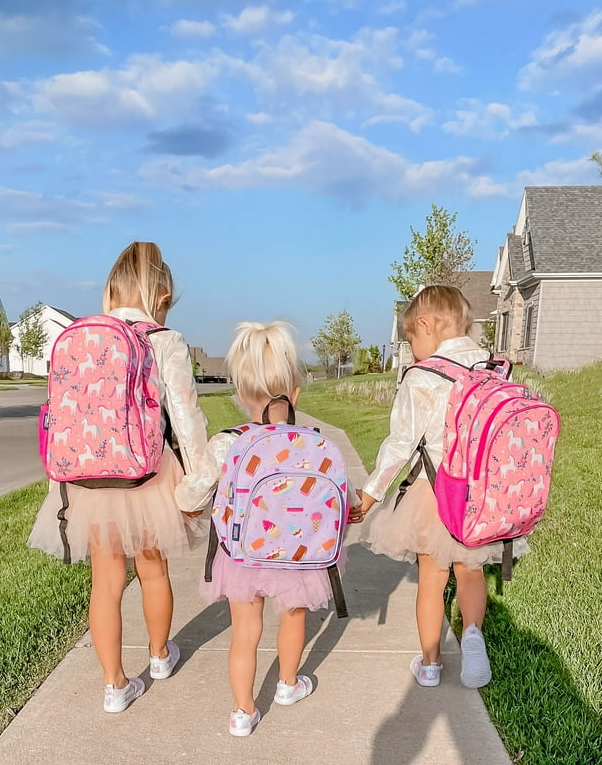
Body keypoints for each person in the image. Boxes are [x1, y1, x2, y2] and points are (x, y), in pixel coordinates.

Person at [28, 241, 210, 713]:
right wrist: (198, 482)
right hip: (145, 475)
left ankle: (114, 685)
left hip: (87, 480)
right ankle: (160, 656)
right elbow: (187, 421)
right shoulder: (165, 340)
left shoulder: (81, 335)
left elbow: (61, 419)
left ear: (111, 290)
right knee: (153, 569)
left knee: (105, 582)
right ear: (162, 297)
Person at [179, 321, 356, 737]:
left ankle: (242, 712)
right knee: (294, 618)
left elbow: (191, 497)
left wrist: (189, 504)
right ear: (295, 391)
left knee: (245, 631)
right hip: (299, 555)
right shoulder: (314, 442)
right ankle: (289, 684)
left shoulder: (228, 443)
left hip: (243, 554)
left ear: (240, 394)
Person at [353, 285, 526, 690]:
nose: (412, 347)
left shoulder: (423, 375)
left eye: (412, 337)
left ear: (427, 325)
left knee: (432, 576)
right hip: (484, 492)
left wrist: (371, 492)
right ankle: (472, 637)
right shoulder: (496, 367)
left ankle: (429, 664)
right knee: (470, 570)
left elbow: (401, 442)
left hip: (436, 491)